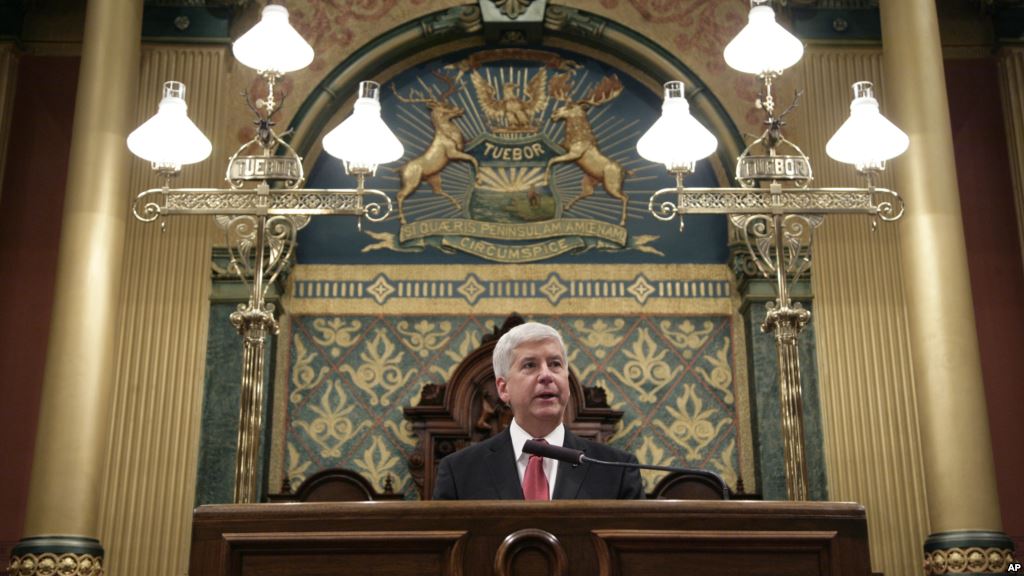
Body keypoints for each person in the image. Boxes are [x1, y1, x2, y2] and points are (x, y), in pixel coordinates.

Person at [432, 321, 645, 500]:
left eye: (555, 364)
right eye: (530, 365)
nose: (546, 375)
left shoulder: (617, 470)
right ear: (503, 389)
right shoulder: (459, 471)